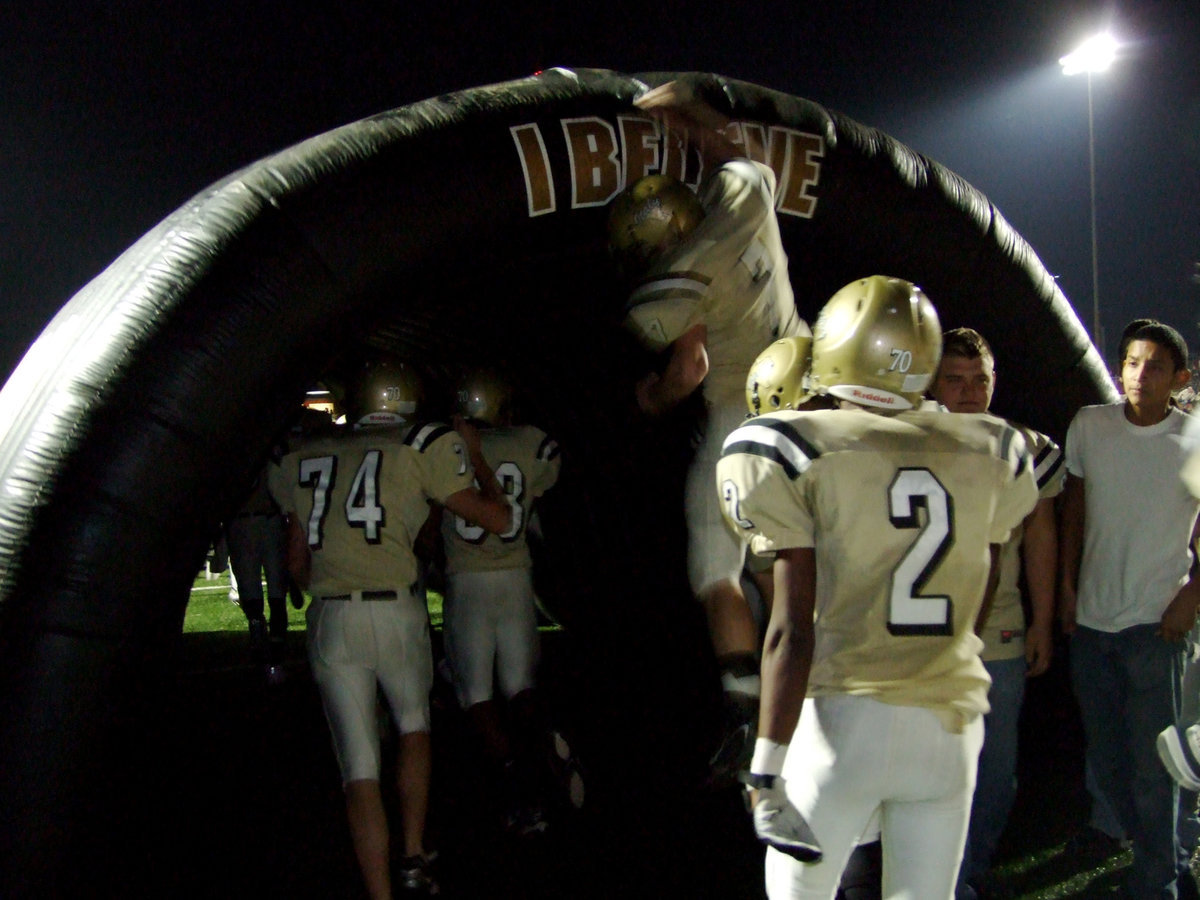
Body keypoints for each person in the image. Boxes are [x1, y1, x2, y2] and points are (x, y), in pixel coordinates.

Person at [718, 276, 1038, 898]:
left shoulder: (797, 448)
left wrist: (765, 769)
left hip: (844, 720)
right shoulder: (992, 447)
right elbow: (981, 586)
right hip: (947, 729)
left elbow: (790, 631)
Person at [608, 78, 810, 779]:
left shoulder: (677, 279)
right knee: (781, 564)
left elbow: (688, 369)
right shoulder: (746, 192)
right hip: (805, 412)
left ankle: (746, 710)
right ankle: (807, 692)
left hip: (737, 418)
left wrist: (651, 400)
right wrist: (689, 118)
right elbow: (734, 150)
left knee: (715, 571)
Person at [268, 356, 512, 899]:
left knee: (358, 769)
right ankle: (412, 851)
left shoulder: (304, 455)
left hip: (333, 617)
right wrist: (474, 455)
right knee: (413, 726)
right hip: (396, 610)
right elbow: (498, 520)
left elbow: (296, 564)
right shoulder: (420, 445)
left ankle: (381, 892)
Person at [1059, 319, 1200, 898]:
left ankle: (1158, 881)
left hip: (1157, 624)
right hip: (1093, 622)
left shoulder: (1192, 439)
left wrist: (1190, 596)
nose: (1140, 375)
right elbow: (1074, 509)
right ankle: (1166, 856)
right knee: (1111, 761)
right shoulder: (1090, 426)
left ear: (1180, 378)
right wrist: (1066, 588)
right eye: (1132, 363)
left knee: (1156, 768)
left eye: (1155, 366)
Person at [928, 327, 1063, 898]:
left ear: (994, 381)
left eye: (979, 379)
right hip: (923, 635)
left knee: (994, 768)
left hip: (996, 630)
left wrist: (1042, 621)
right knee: (927, 765)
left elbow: (1041, 538)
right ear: (932, 383)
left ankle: (968, 868)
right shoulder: (904, 440)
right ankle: (936, 874)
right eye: (954, 380)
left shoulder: (1025, 447)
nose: (968, 392)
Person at [438, 368, 580, 834]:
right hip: (516, 577)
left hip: (468, 581)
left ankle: (518, 786)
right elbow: (540, 491)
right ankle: (541, 738)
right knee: (521, 686)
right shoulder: (532, 442)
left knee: (476, 696)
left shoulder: (444, 446)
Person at [223, 460, 291, 654]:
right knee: (250, 583)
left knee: (274, 582)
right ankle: (261, 630)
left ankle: (274, 633)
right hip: (249, 520)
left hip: (267, 518)